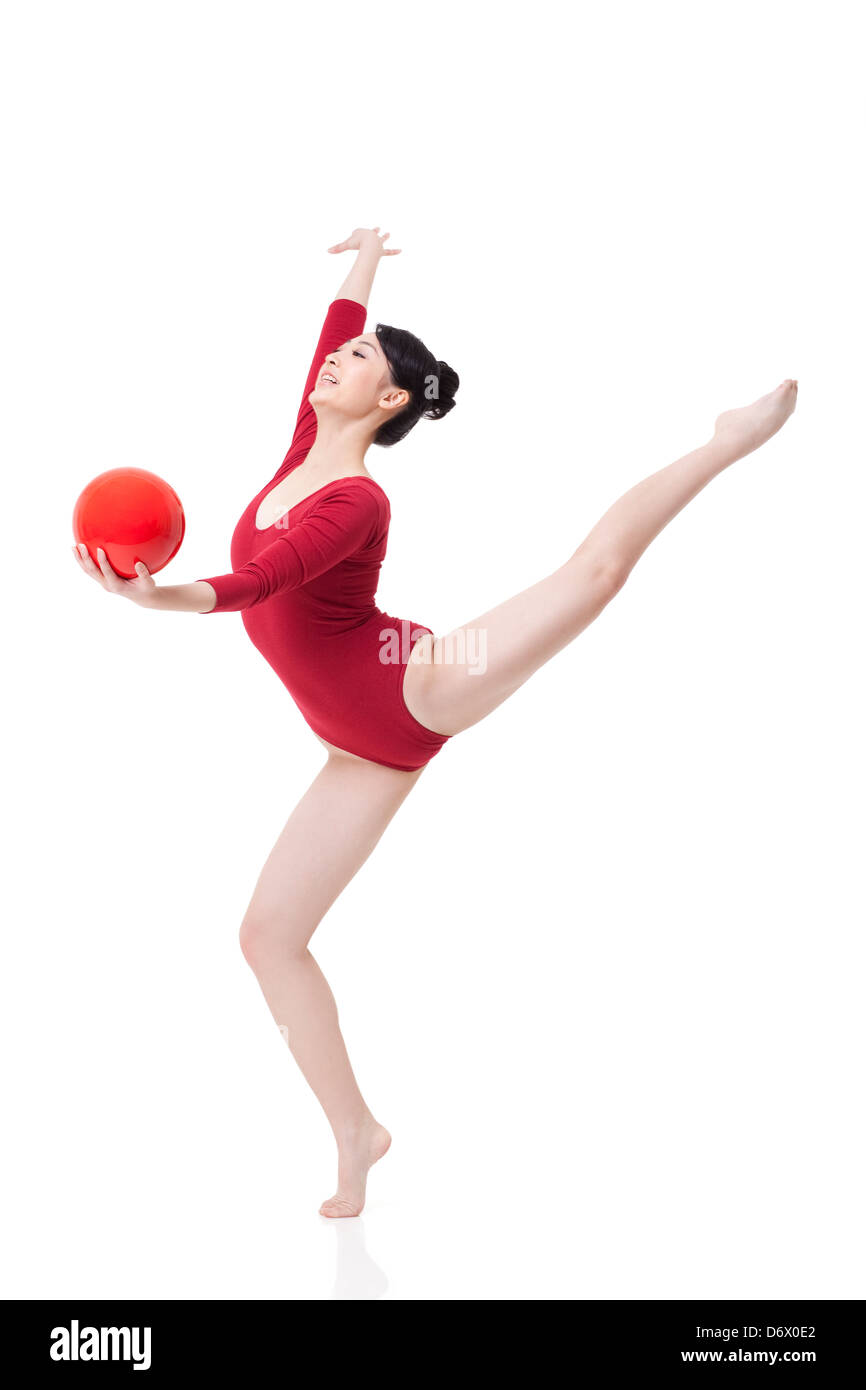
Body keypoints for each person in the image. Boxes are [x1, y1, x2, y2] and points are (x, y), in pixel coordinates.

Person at [72, 226, 799, 1217]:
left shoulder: (358, 500)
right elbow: (331, 326)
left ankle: (720, 441)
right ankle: (355, 1134)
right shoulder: (302, 441)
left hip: (408, 680)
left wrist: (161, 602)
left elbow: (261, 579)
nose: (336, 356)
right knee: (266, 936)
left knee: (589, 578)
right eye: (341, 353)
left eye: (360, 359)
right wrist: (366, 255)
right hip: (350, 749)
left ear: (386, 403)